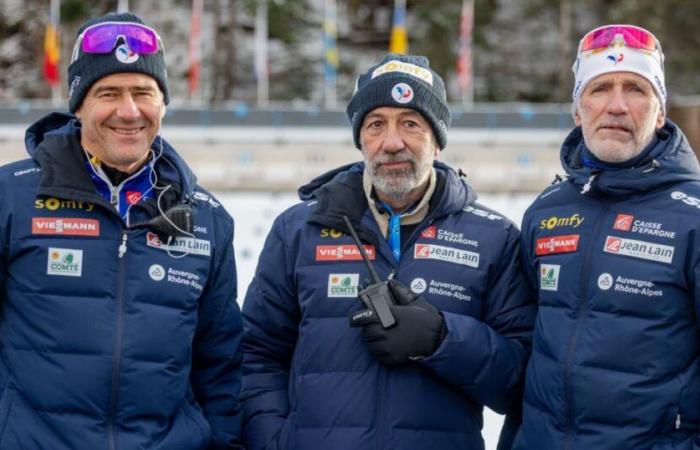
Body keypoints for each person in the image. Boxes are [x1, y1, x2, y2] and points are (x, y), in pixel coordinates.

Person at [241, 53, 535, 450]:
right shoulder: (298, 230)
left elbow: (520, 382)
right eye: (376, 124)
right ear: (361, 137)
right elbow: (256, 354)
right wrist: (273, 440)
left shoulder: (493, 237)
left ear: (437, 138)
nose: (392, 143)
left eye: (411, 124)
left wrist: (443, 339)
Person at [0, 12, 243, 449]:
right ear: (79, 105)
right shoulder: (10, 198)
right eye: (108, 93)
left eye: (143, 93)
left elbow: (221, 364)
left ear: (163, 104)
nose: (128, 111)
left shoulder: (207, 218)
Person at [513, 25, 700, 449]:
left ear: (660, 110)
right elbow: (524, 354)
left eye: (635, 88)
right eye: (599, 89)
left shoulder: (693, 219)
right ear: (578, 109)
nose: (616, 106)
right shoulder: (546, 212)